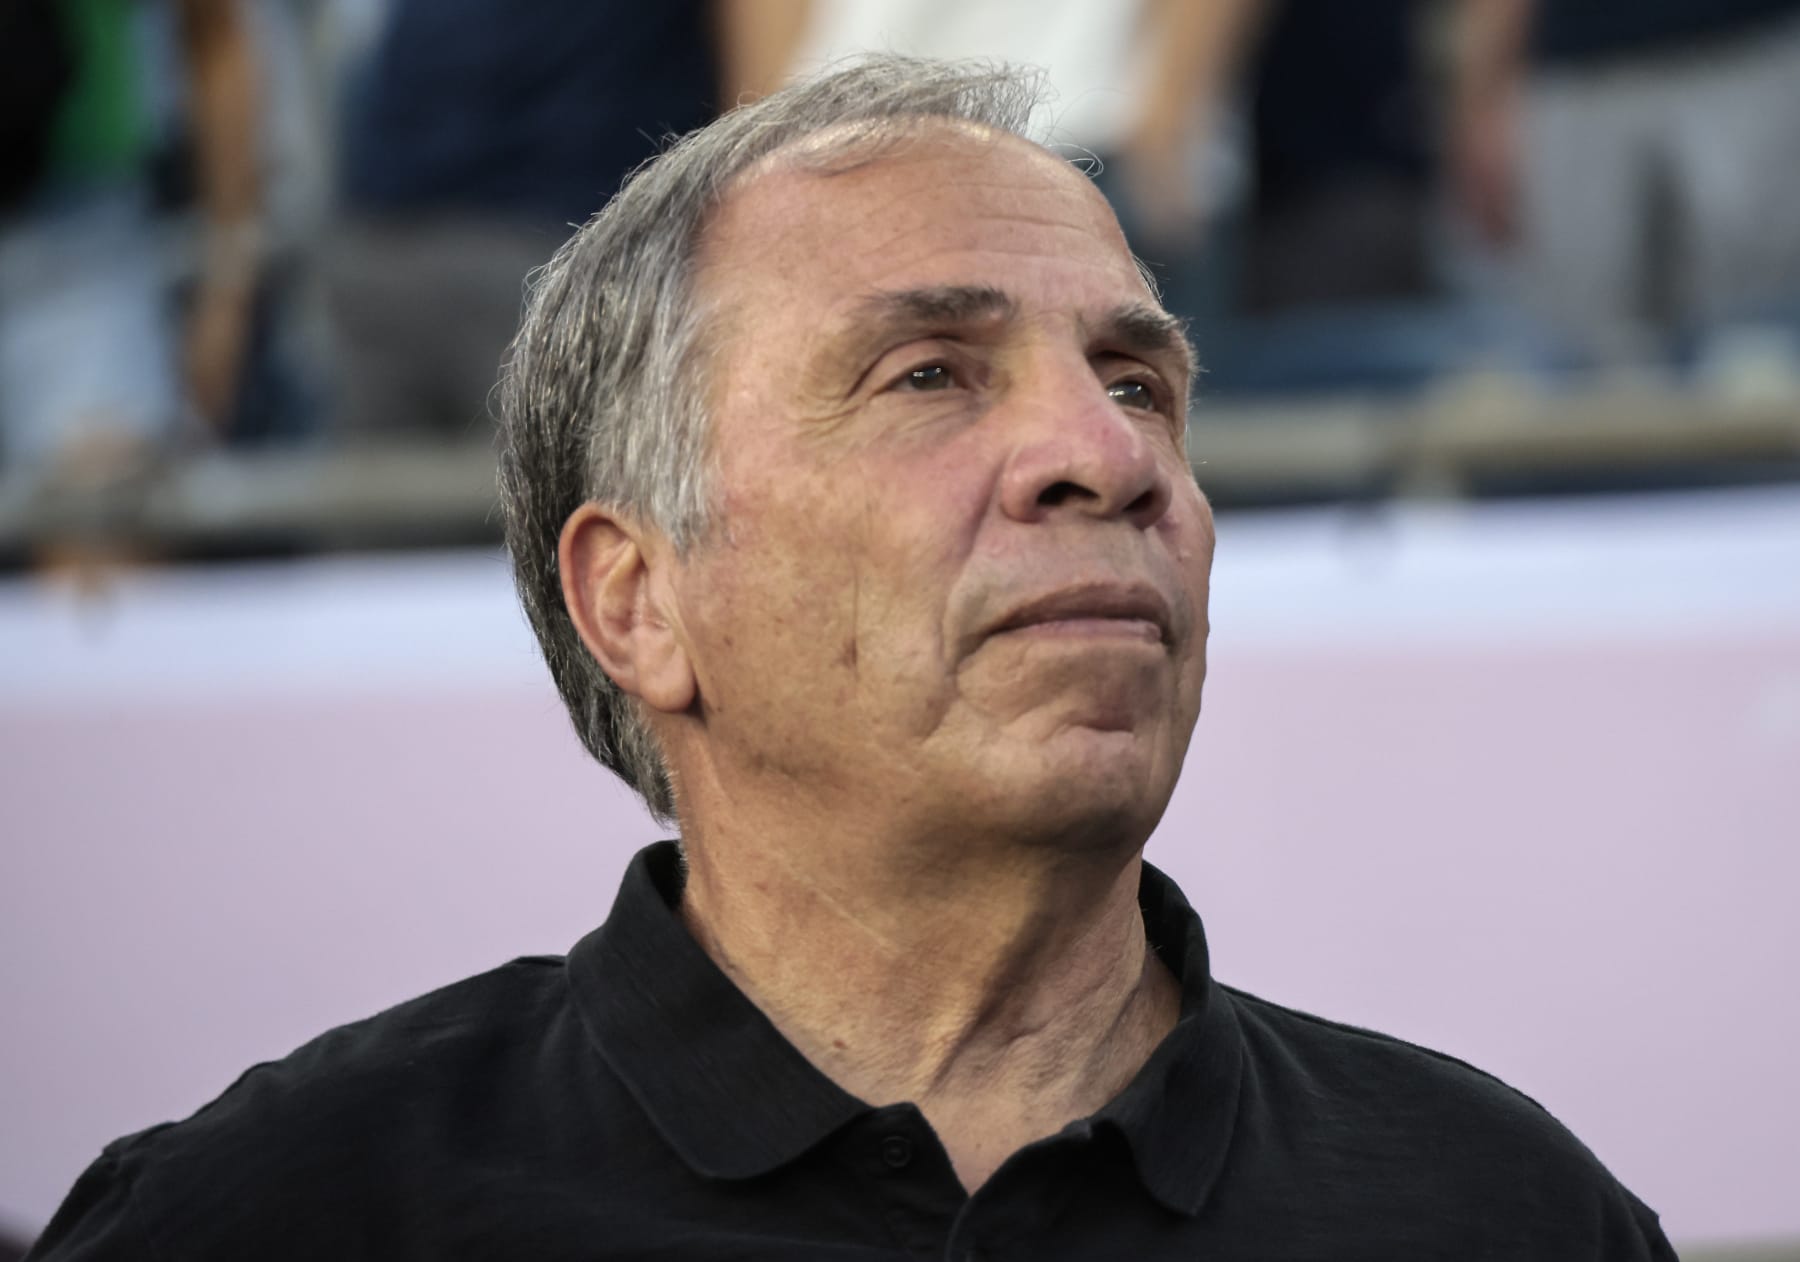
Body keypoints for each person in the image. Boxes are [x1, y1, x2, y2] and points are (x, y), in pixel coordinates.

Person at [28, 57, 1677, 1259]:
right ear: (637, 601)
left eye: (1138, 383)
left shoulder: (1505, 1214)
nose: (1107, 457)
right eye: (929, 375)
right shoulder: (290, 1213)